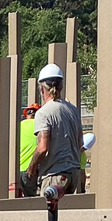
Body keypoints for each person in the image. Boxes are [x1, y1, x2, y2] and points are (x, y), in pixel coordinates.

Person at [20, 63, 85, 201]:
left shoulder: (44, 112)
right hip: (73, 173)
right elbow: (80, 144)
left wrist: (31, 168)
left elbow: (42, 148)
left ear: (42, 88)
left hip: (54, 175)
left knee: (50, 216)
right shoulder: (73, 110)